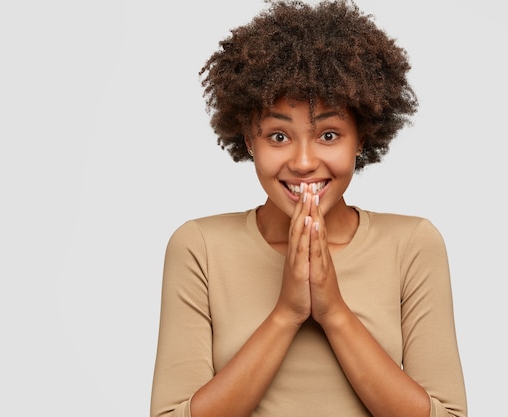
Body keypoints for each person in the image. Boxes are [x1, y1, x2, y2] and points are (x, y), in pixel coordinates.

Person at [150, 1, 467, 416]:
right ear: (249, 139)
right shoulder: (199, 248)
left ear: (362, 138)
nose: (302, 161)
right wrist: (287, 314)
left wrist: (333, 311)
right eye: (278, 136)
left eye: (329, 134)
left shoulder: (412, 244)